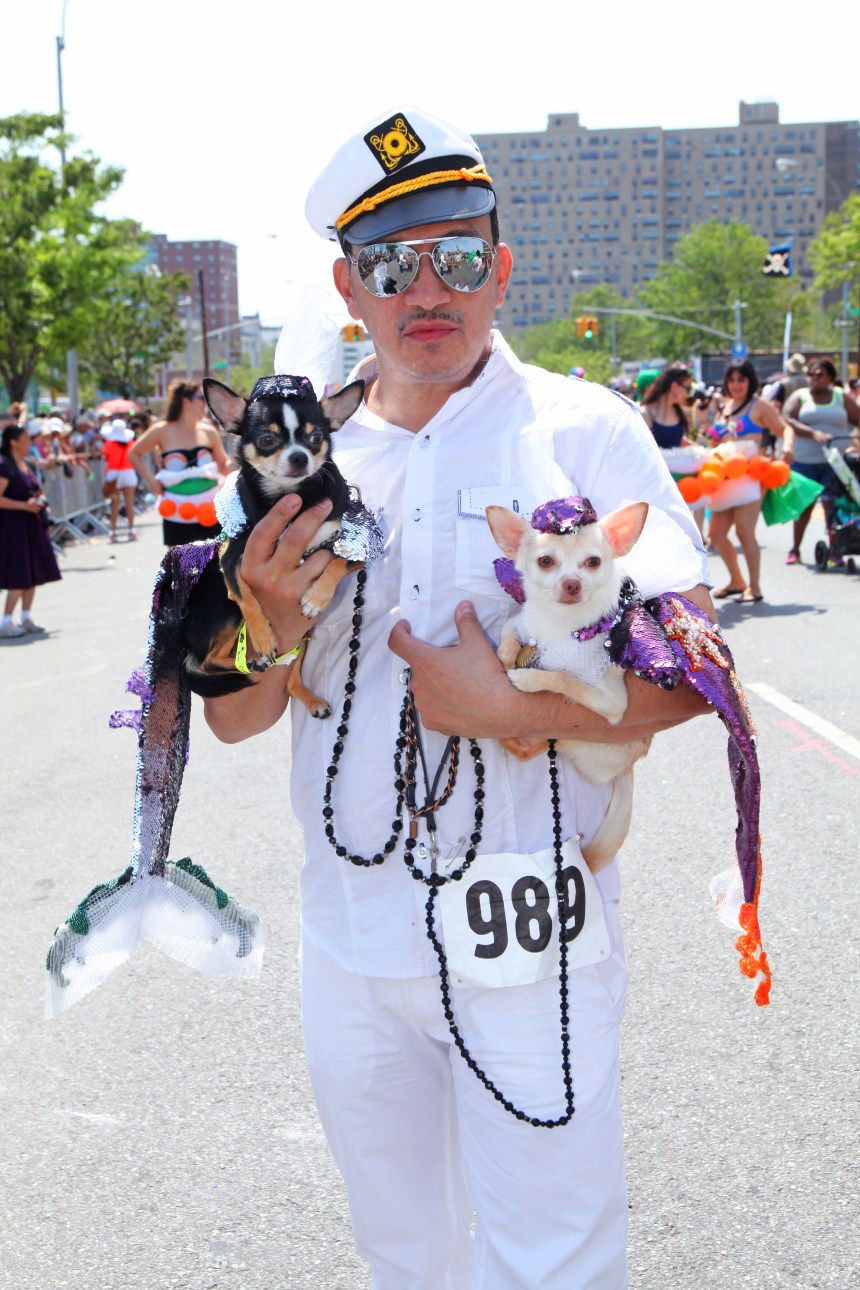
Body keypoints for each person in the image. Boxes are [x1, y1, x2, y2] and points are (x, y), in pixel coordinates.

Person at [203, 107, 716, 1290]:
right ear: (347, 283)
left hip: (528, 920)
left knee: (556, 1255)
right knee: (402, 1254)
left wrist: (510, 710)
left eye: (457, 257)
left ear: (503, 266)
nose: (423, 289)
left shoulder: (582, 432)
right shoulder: (294, 467)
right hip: (353, 933)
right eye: (388, 264)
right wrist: (267, 630)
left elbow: (702, 678)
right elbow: (235, 720)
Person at [707, 359, 794, 602]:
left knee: (744, 531)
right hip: (725, 479)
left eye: (741, 379)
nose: (736, 385)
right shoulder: (724, 407)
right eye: (732, 380)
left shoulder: (759, 405)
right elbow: (718, 441)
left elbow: (785, 429)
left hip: (752, 477)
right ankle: (737, 580)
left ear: (750, 381)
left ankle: (754, 587)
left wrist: (787, 447)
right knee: (716, 534)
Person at [127, 380, 231, 544]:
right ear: (186, 401)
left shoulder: (209, 431)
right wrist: (151, 481)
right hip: (176, 508)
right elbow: (134, 453)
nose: (206, 403)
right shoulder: (162, 430)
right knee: (178, 565)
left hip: (208, 507)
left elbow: (223, 464)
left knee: (214, 564)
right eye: (201, 398)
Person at [782, 358, 860, 564]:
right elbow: (787, 417)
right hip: (805, 461)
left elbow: (858, 419)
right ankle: (795, 548)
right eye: (811, 374)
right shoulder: (801, 396)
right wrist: (812, 432)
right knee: (804, 507)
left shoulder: (840, 397)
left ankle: (836, 549)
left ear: (831, 378)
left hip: (835, 463)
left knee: (832, 505)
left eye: (820, 374)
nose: (814, 378)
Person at [0, 424, 61, 637]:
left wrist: (41, 503)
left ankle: (26, 616)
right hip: (13, 527)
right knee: (18, 573)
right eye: (25, 438)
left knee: (31, 571)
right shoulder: (4, 465)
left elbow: (37, 490)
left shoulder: (25, 464)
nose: (29, 442)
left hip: (31, 526)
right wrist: (25, 506)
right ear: (13, 442)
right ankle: (6, 620)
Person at [101, 418, 139, 543]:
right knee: (129, 503)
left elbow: (105, 457)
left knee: (114, 505)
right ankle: (131, 530)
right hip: (128, 472)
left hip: (113, 474)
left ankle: (113, 531)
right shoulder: (131, 443)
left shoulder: (108, 444)